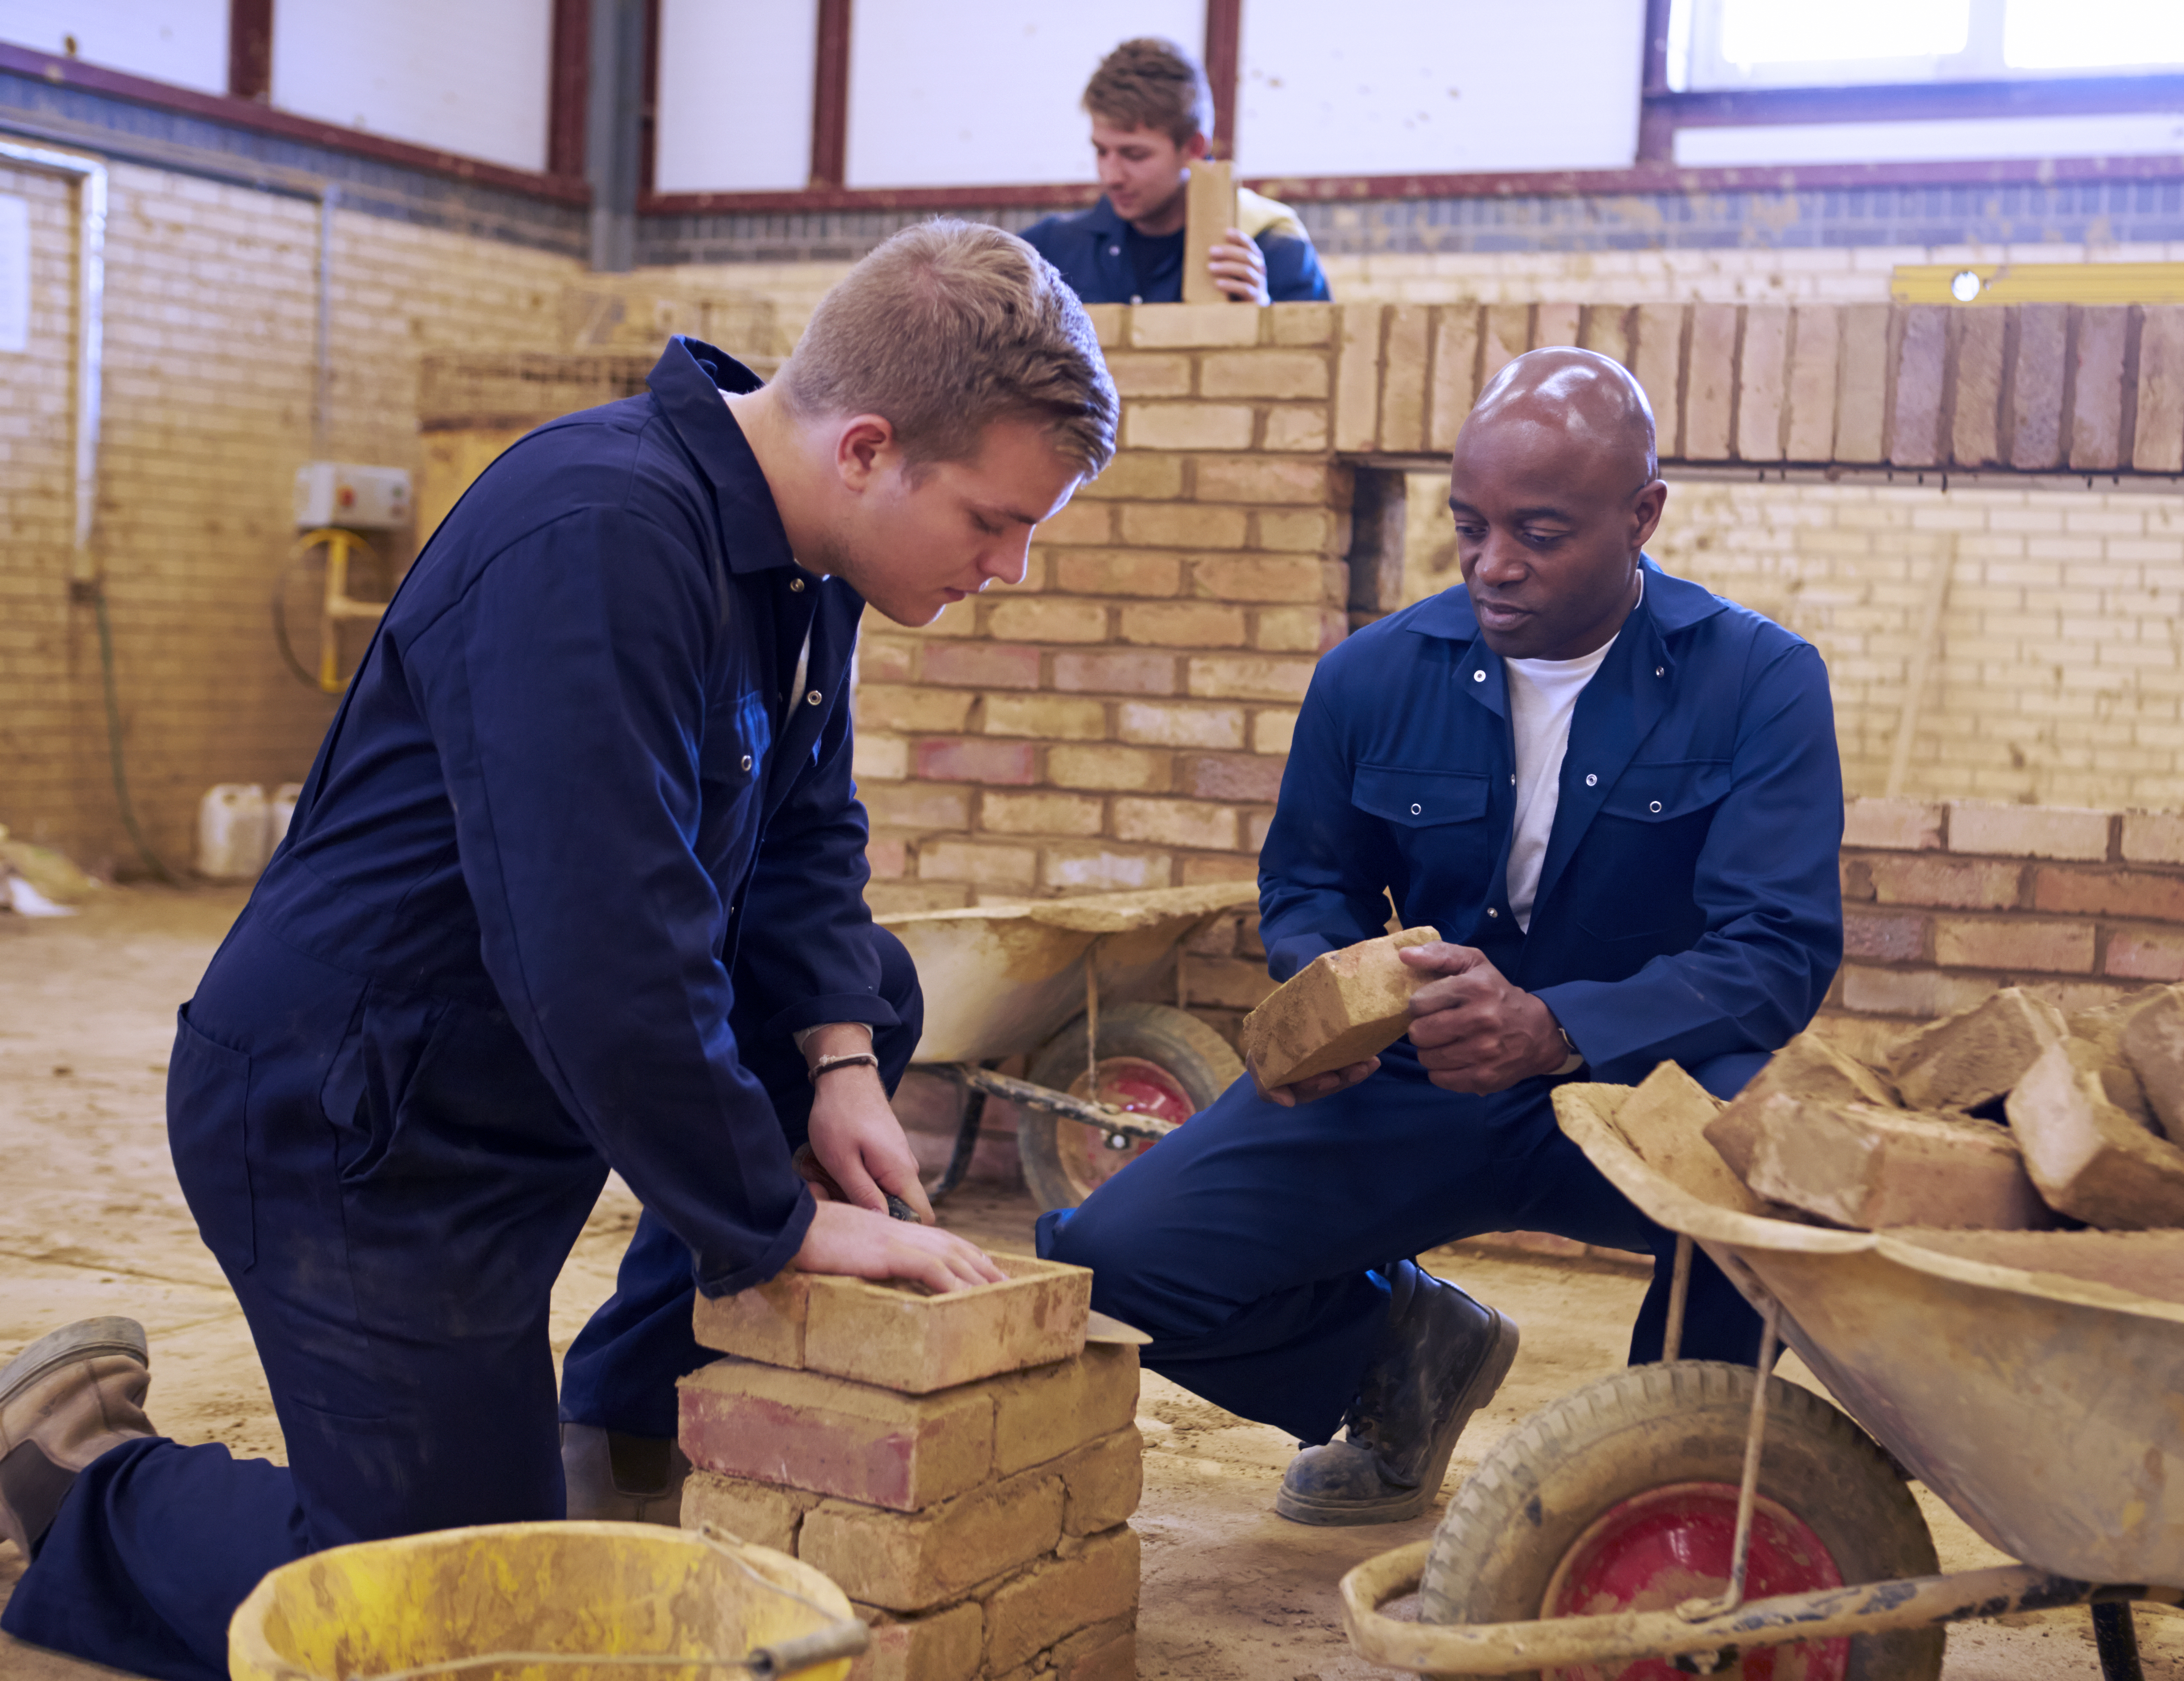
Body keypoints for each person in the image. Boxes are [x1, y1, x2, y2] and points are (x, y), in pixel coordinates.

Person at [0, 221, 1118, 1680]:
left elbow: (803, 830)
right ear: (866, 448)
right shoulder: (596, 541)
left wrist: (842, 1063)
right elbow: (605, 953)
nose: (1013, 567)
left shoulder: (800, 566)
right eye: (994, 520)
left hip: (518, 1079)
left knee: (866, 992)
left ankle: (621, 1421)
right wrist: (774, 1227)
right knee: (459, 1620)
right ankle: (78, 1473)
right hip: (359, 1122)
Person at [1039, 347, 1844, 1525]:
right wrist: (1337, 996)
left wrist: (1555, 1026)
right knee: (1111, 1259)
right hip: (1419, 1072)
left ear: (1642, 515)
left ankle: (1648, 1490)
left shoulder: (1757, 681)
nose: (1492, 563)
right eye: (1468, 524)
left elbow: (1776, 948)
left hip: (1639, 1083)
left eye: (1539, 530)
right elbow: (1305, 883)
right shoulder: (1369, 677)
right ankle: (1402, 1352)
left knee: (1770, 1185)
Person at [1022, 36, 1330, 307]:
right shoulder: (1048, 251)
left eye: (1135, 155)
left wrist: (1265, 322)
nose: (1110, 176)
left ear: (1194, 148)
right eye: (1101, 151)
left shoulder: (1273, 249)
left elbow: (1321, 368)